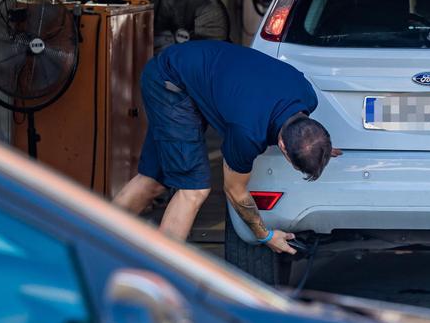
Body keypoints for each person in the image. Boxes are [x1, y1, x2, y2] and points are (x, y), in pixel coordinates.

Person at [113, 41, 340, 255]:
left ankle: (91, 240)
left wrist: (318, 146)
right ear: (282, 147)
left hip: (191, 72)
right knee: (194, 190)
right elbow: (235, 191)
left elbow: (307, 133)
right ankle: (159, 278)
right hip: (170, 82)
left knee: (152, 180)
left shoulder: (306, 94)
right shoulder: (248, 132)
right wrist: (265, 235)